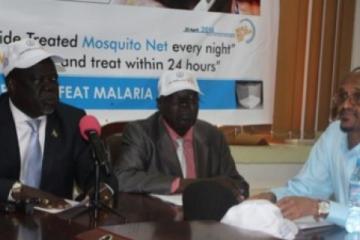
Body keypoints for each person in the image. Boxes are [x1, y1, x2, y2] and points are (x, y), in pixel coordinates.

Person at [0, 38, 116, 208]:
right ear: (12, 86)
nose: (50, 88)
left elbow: (94, 172)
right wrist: (17, 191)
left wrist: (101, 189)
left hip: (55, 224)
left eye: (53, 79)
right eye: (38, 81)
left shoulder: (72, 119)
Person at [114, 69, 249, 198]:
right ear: (160, 104)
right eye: (178, 101)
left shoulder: (213, 136)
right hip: (160, 217)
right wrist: (182, 184)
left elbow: (237, 183)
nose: (187, 107)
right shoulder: (141, 133)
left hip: (206, 218)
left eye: (192, 101)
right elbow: (123, 178)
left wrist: (237, 189)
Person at [252, 68, 360, 227]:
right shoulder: (334, 135)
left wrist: (317, 207)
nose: (345, 105)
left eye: (357, 97)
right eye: (343, 96)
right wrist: (270, 197)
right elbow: (307, 188)